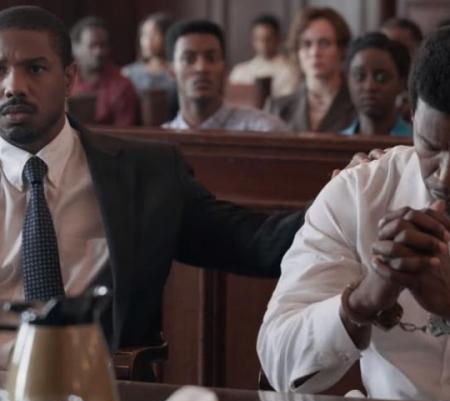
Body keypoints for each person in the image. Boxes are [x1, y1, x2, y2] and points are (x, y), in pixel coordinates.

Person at [0, 6, 303, 352]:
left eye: (35, 69)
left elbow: (254, 243)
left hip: (91, 376)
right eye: (0, 70)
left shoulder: (145, 174)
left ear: (69, 78)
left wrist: (347, 198)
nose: (13, 87)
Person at [257, 25, 450, 401]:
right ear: (412, 117)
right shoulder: (360, 194)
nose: (444, 176)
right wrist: (360, 302)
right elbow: (277, 358)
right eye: (430, 146)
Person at [162, 20, 289, 132]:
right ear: (171, 71)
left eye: (211, 58)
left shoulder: (266, 130)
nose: (201, 68)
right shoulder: (162, 140)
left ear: (224, 68)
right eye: (189, 59)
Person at [266, 7, 355, 132]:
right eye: (306, 44)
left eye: (324, 43)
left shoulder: (358, 105)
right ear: (297, 51)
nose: (315, 52)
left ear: (341, 49)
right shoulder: (277, 108)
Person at [71, 16, 140, 126]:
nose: (99, 52)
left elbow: (124, 132)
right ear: (75, 49)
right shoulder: (62, 81)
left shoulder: (122, 85)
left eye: (103, 45)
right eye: (92, 46)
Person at [342, 32, 412, 137]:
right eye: (360, 76)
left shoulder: (415, 143)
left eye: (381, 77)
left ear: (401, 83)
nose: (369, 86)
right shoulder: (335, 143)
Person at [122, 13, 178, 119]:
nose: (147, 41)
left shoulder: (178, 71)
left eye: (153, 34)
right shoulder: (128, 72)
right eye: (144, 35)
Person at [229, 14, 299, 98]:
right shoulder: (239, 71)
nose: (263, 45)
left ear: (278, 39)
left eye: (268, 39)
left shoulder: (290, 70)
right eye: (258, 39)